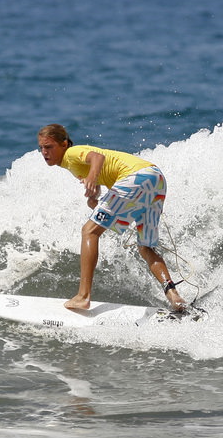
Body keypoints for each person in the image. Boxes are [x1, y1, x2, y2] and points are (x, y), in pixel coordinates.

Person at [37, 124, 187, 312]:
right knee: (145, 246)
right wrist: (94, 196)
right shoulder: (73, 165)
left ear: (64, 144)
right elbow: (102, 173)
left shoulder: (72, 153)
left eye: (49, 147)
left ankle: (83, 296)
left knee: (89, 231)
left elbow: (97, 158)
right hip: (155, 178)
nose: (44, 152)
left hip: (136, 177)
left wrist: (91, 178)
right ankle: (174, 296)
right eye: (41, 148)